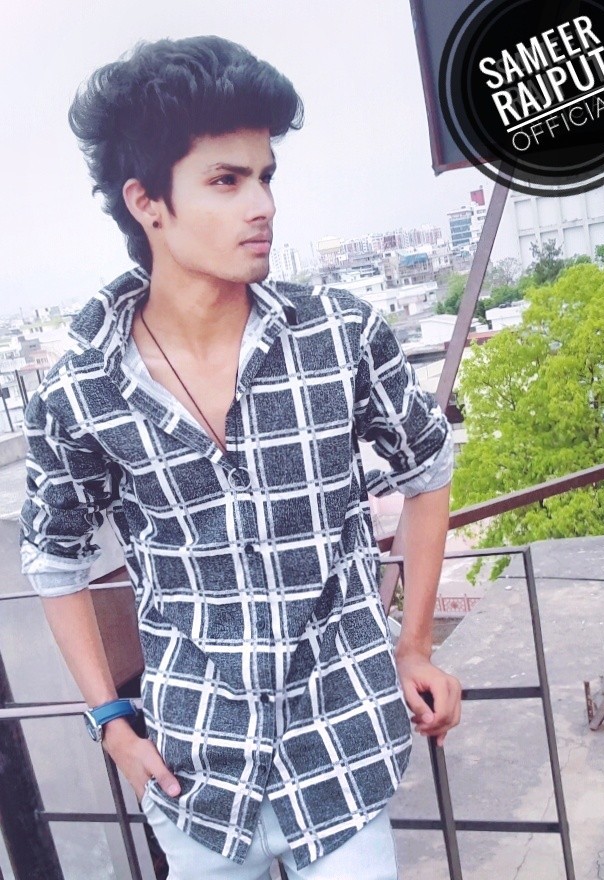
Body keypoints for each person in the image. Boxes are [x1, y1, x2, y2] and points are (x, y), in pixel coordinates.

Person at [20, 36, 460, 880]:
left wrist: (413, 644)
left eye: (265, 176)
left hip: (341, 751)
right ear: (146, 201)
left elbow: (427, 470)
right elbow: (54, 560)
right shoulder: (81, 389)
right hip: (194, 775)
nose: (261, 205)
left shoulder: (339, 333)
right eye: (226, 181)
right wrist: (109, 720)